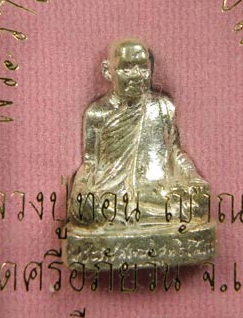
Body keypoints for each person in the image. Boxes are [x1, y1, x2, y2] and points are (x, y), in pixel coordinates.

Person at [69, 38, 209, 228]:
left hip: (156, 192)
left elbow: (175, 153)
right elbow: (91, 163)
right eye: (126, 69)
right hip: (113, 196)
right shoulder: (98, 113)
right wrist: (80, 187)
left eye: (143, 68)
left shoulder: (163, 107)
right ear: (107, 71)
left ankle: (138, 217)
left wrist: (193, 177)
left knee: (198, 203)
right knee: (82, 206)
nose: (136, 76)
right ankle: (148, 217)